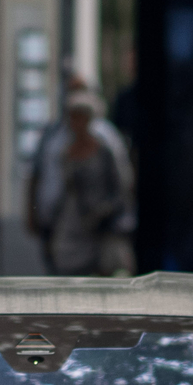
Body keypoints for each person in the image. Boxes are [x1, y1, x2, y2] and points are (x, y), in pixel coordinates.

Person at [41, 92, 131, 276]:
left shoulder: (105, 150)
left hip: (99, 225)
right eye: (73, 118)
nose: (76, 124)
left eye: (80, 118)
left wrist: (103, 213)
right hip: (72, 224)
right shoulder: (63, 150)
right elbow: (57, 188)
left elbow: (120, 187)